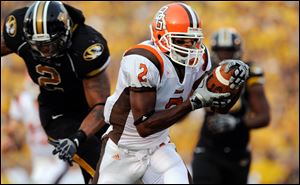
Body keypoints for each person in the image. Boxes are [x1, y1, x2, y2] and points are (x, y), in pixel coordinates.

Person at [94, 3, 249, 184]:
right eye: (181, 40)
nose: (189, 47)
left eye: (193, 40)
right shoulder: (143, 60)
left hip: (158, 146)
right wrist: (193, 103)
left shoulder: (201, 58)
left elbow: (217, 107)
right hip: (122, 149)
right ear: (161, 36)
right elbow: (144, 126)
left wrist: (234, 86)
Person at [1, 1, 111, 183]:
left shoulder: (86, 45)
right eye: (38, 45)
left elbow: (101, 106)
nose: (44, 52)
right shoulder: (18, 32)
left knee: (119, 159)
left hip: (89, 112)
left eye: (50, 45)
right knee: (100, 163)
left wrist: (78, 137)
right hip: (58, 115)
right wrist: (77, 139)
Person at [191, 27, 271, 184]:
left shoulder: (250, 73)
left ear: (238, 51)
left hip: (237, 152)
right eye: (221, 51)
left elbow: (264, 117)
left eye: (229, 51)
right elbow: (187, 103)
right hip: (208, 149)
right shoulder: (205, 71)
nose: (225, 56)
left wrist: (237, 123)